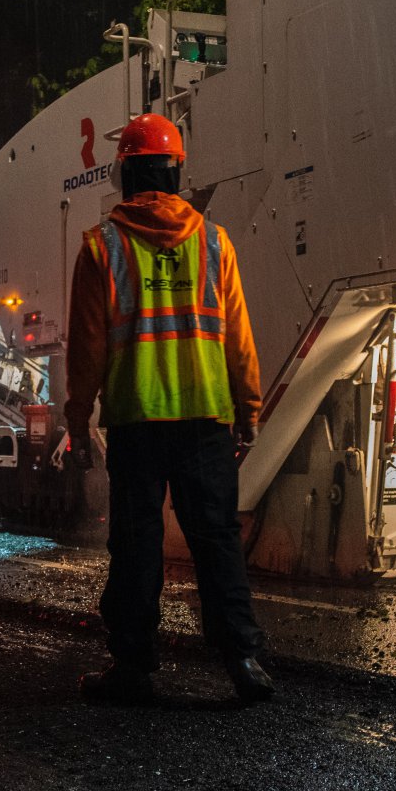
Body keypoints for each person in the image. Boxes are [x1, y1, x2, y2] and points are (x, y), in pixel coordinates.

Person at [65, 112, 273, 705]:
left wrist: (77, 423)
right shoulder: (214, 241)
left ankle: (133, 667)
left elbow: (86, 349)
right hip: (206, 419)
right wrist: (249, 410)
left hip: (136, 421)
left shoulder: (101, 247)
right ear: (177, 171)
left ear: (124, 173)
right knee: (216, 542)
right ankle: (243, 662)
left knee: (135, 546)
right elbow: (238, 338)